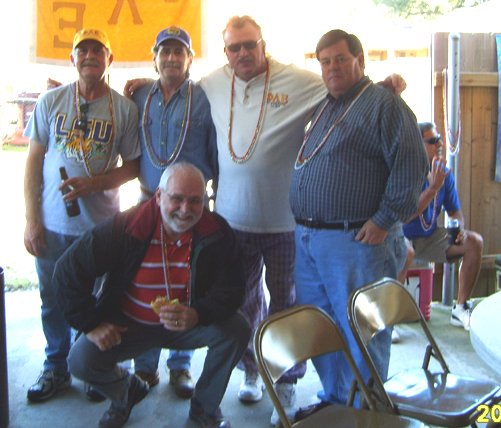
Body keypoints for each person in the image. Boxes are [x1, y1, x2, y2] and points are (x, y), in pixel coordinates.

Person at [125, 16, 406, 424]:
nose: (242, 53)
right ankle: (253, 371)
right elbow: (176, 84)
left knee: (288, 306)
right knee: (243, 303)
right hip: (233, 223)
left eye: (249, 45)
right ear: (225, 52)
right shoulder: (212, 82)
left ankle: (287, 381)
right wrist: (142, 85)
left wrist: (384, 85)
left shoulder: (299, 80)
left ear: (263, 44)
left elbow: (343, 86)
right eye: (234, 47)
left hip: (286, 225)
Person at [289, 29, 428, 419]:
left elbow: (412, 166)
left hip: (356, 241)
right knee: (322, 327)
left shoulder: (385, 105)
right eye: (325, 62)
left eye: (340, 59)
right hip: (311, 239)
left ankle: (366, 409)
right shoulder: (326, 106)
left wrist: (384, 220)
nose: (332, 68)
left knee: (363, 329)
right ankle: (337, 401)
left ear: (360, 60)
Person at [53, 162, 249, 428]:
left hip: (187, 325)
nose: (185, 209)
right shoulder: (127, 225)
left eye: (195, 201)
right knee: (80, 360)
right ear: (158, 196)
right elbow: (67, 270)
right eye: (176, 199)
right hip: (128, 325)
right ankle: (126, 392)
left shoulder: (216, 230)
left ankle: (205, 408)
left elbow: (234, 286)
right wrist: (91, 323)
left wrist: (199, 313)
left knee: (237, 329)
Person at [23, 28, 141, 402]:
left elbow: (133, 167)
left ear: (110, 59)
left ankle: (88, 365)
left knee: (98, 300)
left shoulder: (124, 109)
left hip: (101, 228)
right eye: (82, 50)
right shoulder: (51, 101)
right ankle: (56, 368)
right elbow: (33, 162)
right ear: (73, 59)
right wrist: (31, 219)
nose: (90, 56)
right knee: (53, 299)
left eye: (98, 50)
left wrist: (95, 184)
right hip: (54, 225)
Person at [130, 25, 217, 397]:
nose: (171, 58)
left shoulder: (206, 99)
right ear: (154, 58)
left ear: (190, 58)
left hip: (190, 208)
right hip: (148, 202)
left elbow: (215, 155)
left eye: (178, 52)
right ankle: (144, 366)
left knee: (187, 282)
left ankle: (180, 366)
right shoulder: (138, 97)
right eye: (164, 51)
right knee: (144, 281)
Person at [400, 122, 483, 331]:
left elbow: (455, 213)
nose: (440, 144)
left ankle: (460, 308)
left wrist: (459, 229)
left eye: (439, 139)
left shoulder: (444, 174)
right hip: (401, 237)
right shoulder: (406, 172)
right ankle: (389, 319)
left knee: (474, 242)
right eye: (433, 141)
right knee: (405, 250)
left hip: (429, 238)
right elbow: (404, 217)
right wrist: (432, 189)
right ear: (418, 145)